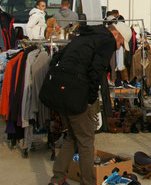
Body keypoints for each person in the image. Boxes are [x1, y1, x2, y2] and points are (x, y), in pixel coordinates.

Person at [46, 22, 131, 185]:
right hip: (78, 93)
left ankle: (57, 179)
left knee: (73, 136)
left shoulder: (85, 35)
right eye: (120, 43)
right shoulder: (106, 41)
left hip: (60, 90)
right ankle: (87, 182)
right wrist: (91, 97)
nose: (119, 47)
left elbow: (58, 57)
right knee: (86, 141)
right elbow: (96, 70)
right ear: (116, 35)